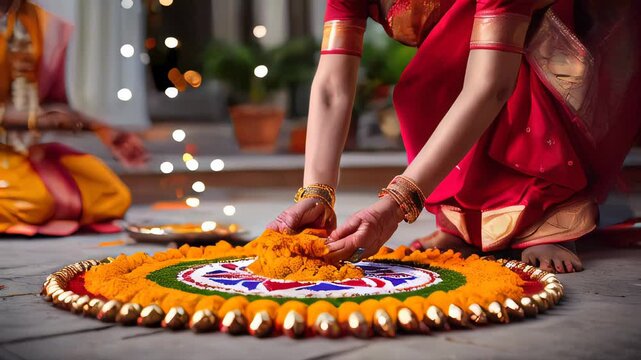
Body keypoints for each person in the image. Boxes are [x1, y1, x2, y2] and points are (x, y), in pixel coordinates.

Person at [268, 0, 641, 273]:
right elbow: (333, 86)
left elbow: (490, 86)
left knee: (515, 89)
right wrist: (316, 192)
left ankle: (548, 211)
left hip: (537, 44)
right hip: (459, 58)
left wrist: (396, 205)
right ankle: (465, 219)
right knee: (422, 91)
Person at [0, 0, 147, 236]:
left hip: (20, 153)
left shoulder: (42, 22)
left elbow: (53, 102)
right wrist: (34, 120)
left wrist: (105, 130)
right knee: (33, 200)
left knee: (112, 193)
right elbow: (39, 117)